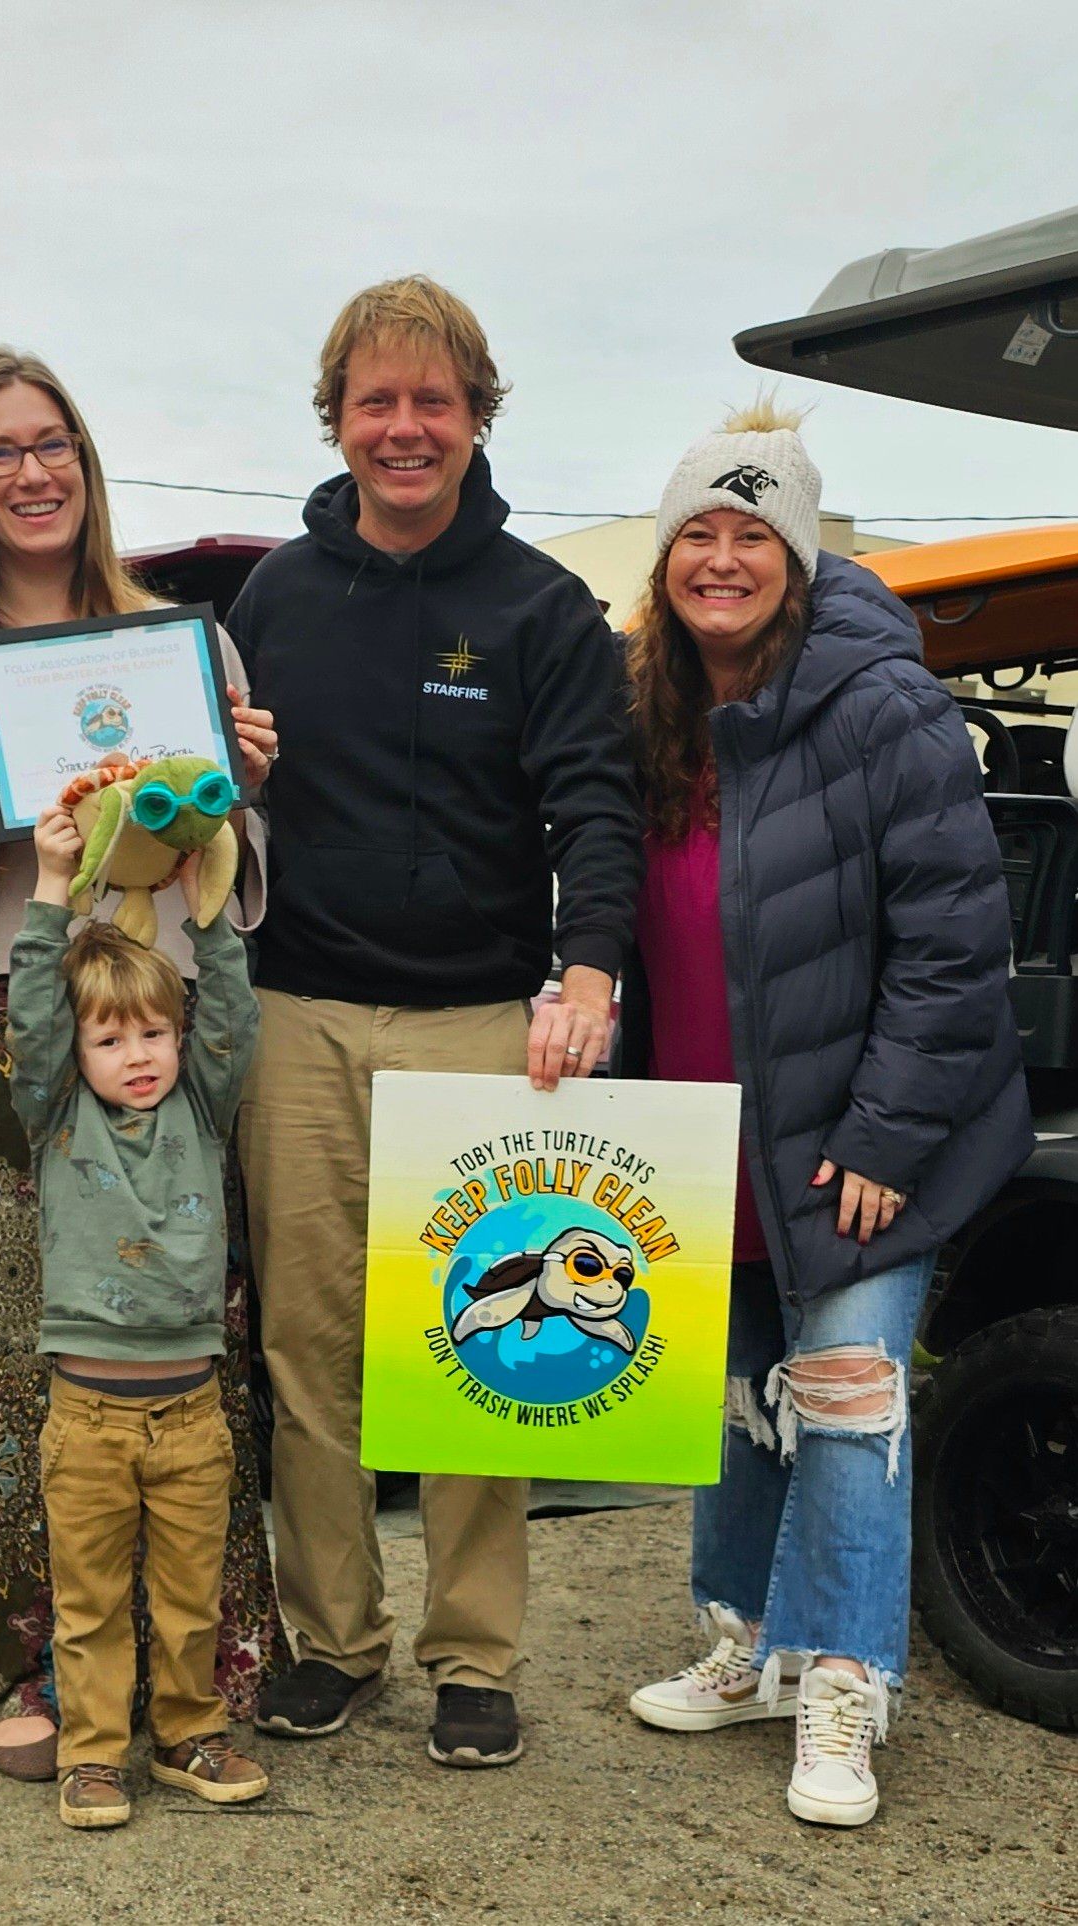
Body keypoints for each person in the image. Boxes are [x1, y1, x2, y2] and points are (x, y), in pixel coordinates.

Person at [230, 276, 643, 1768]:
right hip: (296, 1014)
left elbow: (595, 801)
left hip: (481, 1015)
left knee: (491, 1347)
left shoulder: (538, 608)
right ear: (335, 419)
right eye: (374, 401)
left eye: (431, 401)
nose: (401, 429)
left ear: (475, 416)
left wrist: (587, 969)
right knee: (310, 1347)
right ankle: (330, 1641)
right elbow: (213, 804)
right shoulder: (272, 596)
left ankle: (471, 1650)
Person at [0, 348, 287, 1781]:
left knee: (174, 1320)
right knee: (1, 1353)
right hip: (5, 1023)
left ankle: (196, 1668)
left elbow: (236, 884)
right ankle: (8, 1664)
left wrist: (243, 786)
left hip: (152, 1011)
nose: (32, 472)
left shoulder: (189, 643)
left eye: (53, 444)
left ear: (87, 467)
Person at [620, 403, 1031, 1827]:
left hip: (859, 1139)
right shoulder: (649, 711)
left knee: (845, 1401)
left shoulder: (882, 705)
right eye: (697, 532)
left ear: (794, 560)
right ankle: (751, 1636)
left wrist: (879, 1133)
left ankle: (848, 1676)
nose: (719, 558)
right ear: (665, 554)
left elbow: (951, 942)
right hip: (707, 1134)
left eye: (751, 533)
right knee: (738, 1400)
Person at [7, 805, 270, 1828]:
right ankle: (92, 1752)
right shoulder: (55, 1110)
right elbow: (32, 1015)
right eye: (111, 1038)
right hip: (86, 1420)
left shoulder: (199, 1108)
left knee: (189, 1596)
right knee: (90, 1603)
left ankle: (190, 1732)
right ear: (77, 1051)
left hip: (191, 1413)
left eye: (152, 1032)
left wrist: (207, 905)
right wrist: (45, 889)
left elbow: (229, 1018)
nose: (139, 1053)